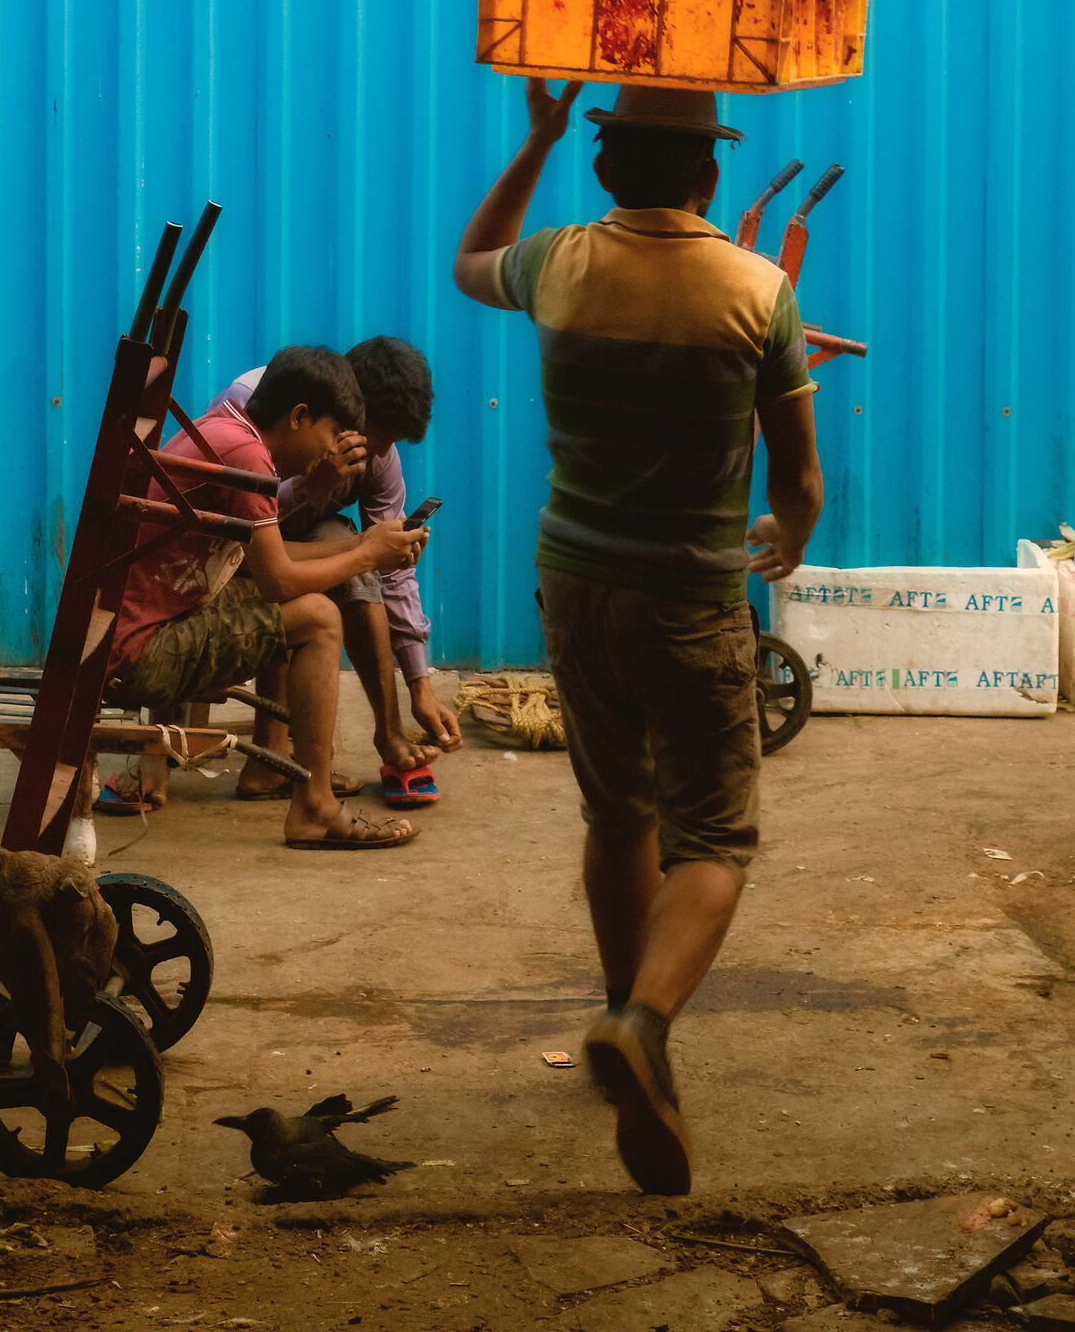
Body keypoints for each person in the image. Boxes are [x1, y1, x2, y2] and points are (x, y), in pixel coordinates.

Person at [453, 80, 824, 1194]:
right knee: (714, 840)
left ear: (608, 166)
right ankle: (646, 1026)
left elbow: (474, 261)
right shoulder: (759, 292)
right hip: (690, 597)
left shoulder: (558, 263)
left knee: (618, 811)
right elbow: (799, 474)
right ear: (709, 172)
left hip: (575, 585)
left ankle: (624, 1021)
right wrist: (791, 531)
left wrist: (537, 138)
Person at [102, 344, 427, 852]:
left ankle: (285, 773)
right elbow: (278, 582)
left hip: (121, 633)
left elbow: (272, 552)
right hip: (139, 654)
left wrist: (367, 542)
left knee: (308, 607)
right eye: (329, 435)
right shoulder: (250, 457)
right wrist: (367, 558)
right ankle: (315, 807)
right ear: (299, 416)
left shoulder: (225, 427)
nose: (330, 453)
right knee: (318, 618)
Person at [220, 337, 462, 808]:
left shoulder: (379, 458)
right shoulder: (250, 409)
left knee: (360, 561)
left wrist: (420, 685)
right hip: (231, 548)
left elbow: (391, 572)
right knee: (327, 585)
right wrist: (312, 486)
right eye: (375, 434)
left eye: (390, 442)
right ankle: (273, 759)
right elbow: (245, 533)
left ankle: (389, 736)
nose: (378, 451)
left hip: (289, 549)